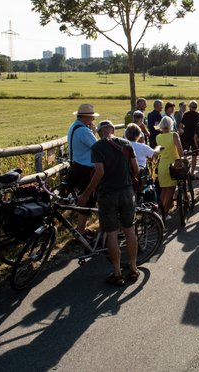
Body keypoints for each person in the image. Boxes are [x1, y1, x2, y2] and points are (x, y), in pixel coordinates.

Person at [77, 120, 139, 286]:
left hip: (107, 195)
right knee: (129, 230)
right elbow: (136, 169)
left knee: (111, 233)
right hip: (126, 192)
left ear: (99, 133)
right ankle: (133, 268)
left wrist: (85, 194)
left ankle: (117, 273)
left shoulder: (97, 147)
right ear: (112, 129)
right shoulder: (126, 144)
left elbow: (99, 172)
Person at [67, 103, 99, 238]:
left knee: (84, 198)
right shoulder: (84, 131)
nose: (93, 120)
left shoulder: (74, 127)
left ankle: (81, 229)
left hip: (77, 165)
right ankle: (81, 231)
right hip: (86, 169)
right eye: (92, 117)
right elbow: (97, 146)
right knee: (86, 199)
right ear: (86, 117)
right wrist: (94, 133)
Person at [155, 116, 183, 219]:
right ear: (171, 125)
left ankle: (158, 213)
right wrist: (182, 157)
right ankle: (164, 214)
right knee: (171, 190)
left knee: (164, 191)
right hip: (173, 165)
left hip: (162, 165)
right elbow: (179, 149)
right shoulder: (174, 135)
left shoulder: (158, 137)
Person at [180, 100, 199, 178]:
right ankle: (192, 173)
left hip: (186, 136)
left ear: (190, 107)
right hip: (195, 137)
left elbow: (181, 125)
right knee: (194, 156)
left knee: (184, 154)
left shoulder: (186, 114)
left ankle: (184, 171)